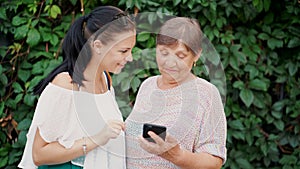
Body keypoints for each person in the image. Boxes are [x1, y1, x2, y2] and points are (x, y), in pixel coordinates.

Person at [18, 6, 136, 169]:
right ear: (98, 46)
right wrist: (96, 139)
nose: (129, 58)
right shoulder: (66, 84)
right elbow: (38, 154)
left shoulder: (105, 78)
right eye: (123, 51)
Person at [125, 17, 227, 168]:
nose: (170, 63)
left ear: (197, 54)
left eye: (180, 56)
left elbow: (215, 160)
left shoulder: (206, 94)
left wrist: (178, 156)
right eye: (164, 53)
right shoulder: (148, 85)